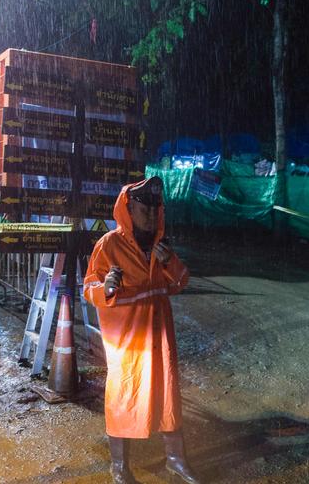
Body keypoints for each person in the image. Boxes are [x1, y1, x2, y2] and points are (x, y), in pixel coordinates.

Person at [84, 176, 199, 484]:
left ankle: (176, 460)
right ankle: (120, 468)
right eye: (142, 209)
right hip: (128, 342)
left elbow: (181, 282)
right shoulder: (108, 245)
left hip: (160, 339)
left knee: (167, 396)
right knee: (125, 395)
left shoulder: (162, 246)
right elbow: (89, 288)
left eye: (155, 209)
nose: (150, 215)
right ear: (128, 209)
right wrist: (106, 287)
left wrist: (170, 262)